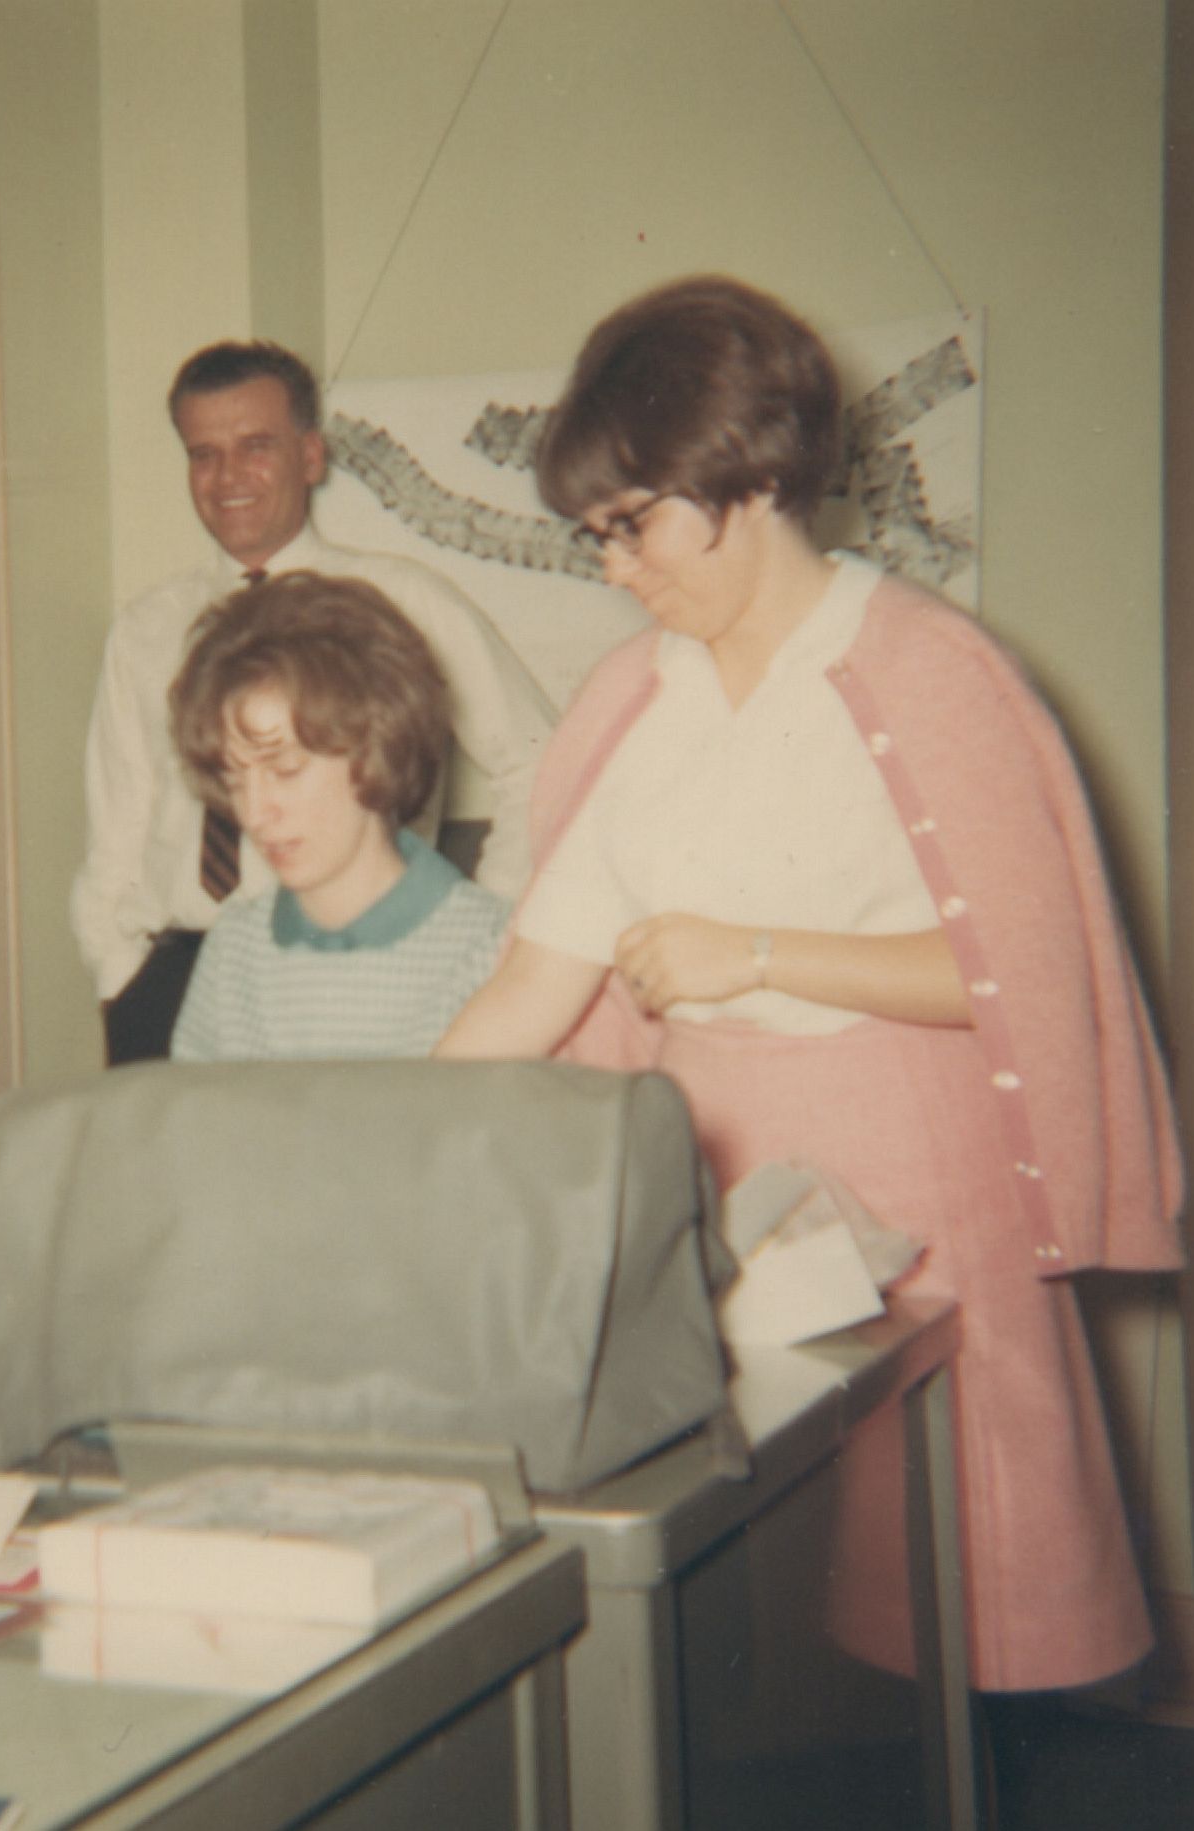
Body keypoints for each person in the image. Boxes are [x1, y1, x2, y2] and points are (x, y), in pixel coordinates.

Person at [437, 276, 1185, 1699]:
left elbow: (1020, 982)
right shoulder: (631, 700)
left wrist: (755, 951)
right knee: (762, 1620)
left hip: (915, 1171)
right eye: (591, 532)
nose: (611, 567)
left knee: (940, 1610)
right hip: (718, 1172)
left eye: (631, 522)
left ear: (753, 479)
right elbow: (536, 976)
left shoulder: (925, 667)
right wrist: (393, 1142)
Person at [71, 338, 551, 1064]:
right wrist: (119, 971)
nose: (227, 475)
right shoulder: (145, 628)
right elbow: (116, 822)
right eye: (203, 453)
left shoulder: (402, 601)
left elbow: (542, 762)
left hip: (350, 971)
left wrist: (490, 920)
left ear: (310, 456)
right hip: (170, 982)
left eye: (254, 445)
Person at [166, 572, 508, 1062]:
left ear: (374, 751)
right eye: (236, 780)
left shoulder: (488, 947)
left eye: (285, 770)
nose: (255, 814)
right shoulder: (235, 948)